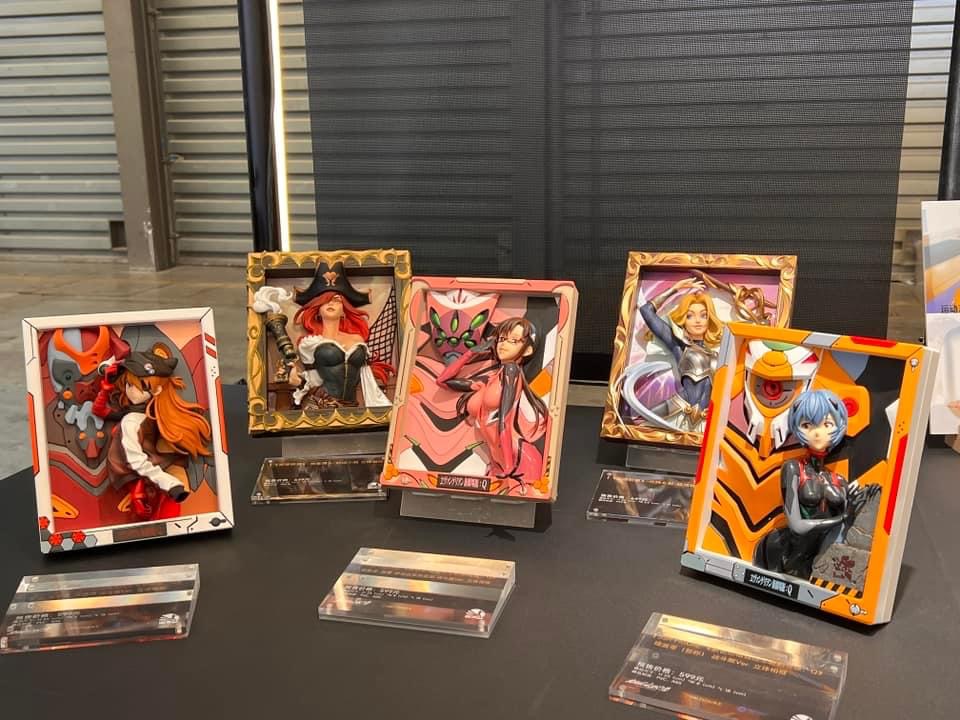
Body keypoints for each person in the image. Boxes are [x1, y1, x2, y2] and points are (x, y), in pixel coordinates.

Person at [753, 389, 880, 579]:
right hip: (786, 555)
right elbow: (797, 525)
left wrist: (861, 501)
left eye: (827, 424)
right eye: (807, 425)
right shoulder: (793, 468)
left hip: (820, 557)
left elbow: (848, 528)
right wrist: (842, 517)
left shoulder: (838, 480)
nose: (818, 433)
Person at [93, 345, 212, 521]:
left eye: (139, 386)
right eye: (128, 384)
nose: (131, 390)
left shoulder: (157, 412)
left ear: (156, 390)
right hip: (138, 467)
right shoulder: (130, 419)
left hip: (158, 463)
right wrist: (106, 388)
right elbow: (100, 411)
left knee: (173, 490)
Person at [436, 317, 547, 488]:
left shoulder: (511, 370)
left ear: (527, 350)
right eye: (501, 339)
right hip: (498, 461)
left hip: (517, 459)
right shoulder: (488, 380)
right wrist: (470, 353)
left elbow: (505, 419)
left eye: (513, 340)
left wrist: (509, 466)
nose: (504, 344)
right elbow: (442, 381)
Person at [286, 261, 392, 409]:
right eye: (325, 301)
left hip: (352, 407)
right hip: (320, 407)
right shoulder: (310, 343)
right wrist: (297, 379)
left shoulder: (357, 339)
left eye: (336, 300)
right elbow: (313, 379)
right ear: (317, 310)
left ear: (344, 310)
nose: (331, 304)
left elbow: (365, 374)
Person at [630, 276, 723, 431]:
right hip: (678, 410)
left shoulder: (716, 355)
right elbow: (646, 311)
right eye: (690, 315)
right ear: (683, 320)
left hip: (705, 419)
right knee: (640, 429)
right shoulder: (680, 345)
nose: (698, 321)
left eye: (703, 315)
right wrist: (674, 289)